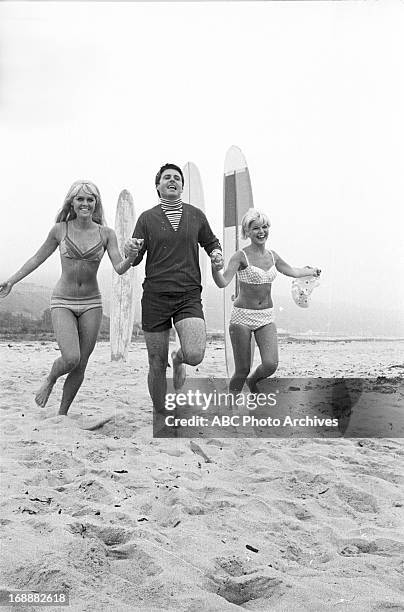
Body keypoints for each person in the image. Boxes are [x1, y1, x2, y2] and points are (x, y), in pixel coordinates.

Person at [0, 180, 136, 415]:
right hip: (63, 301)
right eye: (80, 199)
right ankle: (51, 378)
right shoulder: (60, 230)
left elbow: (120, 268)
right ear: (71, 202)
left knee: (81, 363)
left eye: (90, 199)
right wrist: (12, 280)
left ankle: (62, 413)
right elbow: (36, 258)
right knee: (71, 357)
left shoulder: (107, 234)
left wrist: (132, 256)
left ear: (96, 203)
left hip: (92, 303)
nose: (85, 203)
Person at [124, 163, 223, 414]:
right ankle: (161, 413)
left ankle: (178, 360)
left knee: (195, 354)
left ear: (182, 186)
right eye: (166, 177)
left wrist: (217, 254)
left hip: (188, 294)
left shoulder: (195, 215)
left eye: (177, 178)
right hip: (155, 296)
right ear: (157, 186)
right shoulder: (147, 218)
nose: (172, 180)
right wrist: (131, 249)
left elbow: (211, 242)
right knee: (156, 362)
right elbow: (135, 259)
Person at [211, 208, 321, 394]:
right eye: (256, 228)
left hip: (266, 317)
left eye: (264, 227)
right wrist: (215, 269)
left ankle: (253, 383)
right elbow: (222, 282)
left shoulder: (273, 256)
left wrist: (311, 271)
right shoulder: (240, 256)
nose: (261, 232)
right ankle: (231, 406)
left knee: (271, 364)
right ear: (247, 232)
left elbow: (293, 271)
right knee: (242, 369)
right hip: (242, 318)